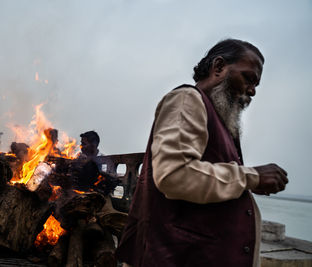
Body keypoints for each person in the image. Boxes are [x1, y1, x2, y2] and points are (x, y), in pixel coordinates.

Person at [115, 39, 289, 267]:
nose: (253, 91)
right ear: (218, 67)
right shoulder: (187, 99)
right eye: (248, 78)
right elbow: (175, 175)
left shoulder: (218, 121)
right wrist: (251, 176)